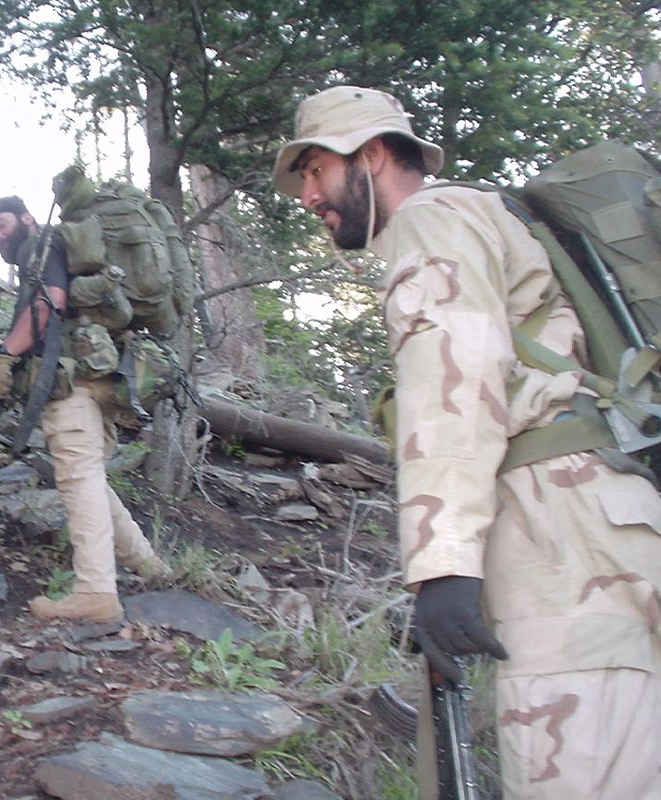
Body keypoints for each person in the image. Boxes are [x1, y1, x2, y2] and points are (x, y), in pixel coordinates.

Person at [272, 85, 661, 799]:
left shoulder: (432, 218)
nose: (307, 196)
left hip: (561, 543)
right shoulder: (494, 216)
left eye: (317, 169)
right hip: (615, 521)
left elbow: (452, 387)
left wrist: (443, 567)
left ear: (375, 153)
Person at [0, 195, 171, 624]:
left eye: (4, 224)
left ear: (26, 218)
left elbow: (49, 304)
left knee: (78, 476)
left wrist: (4, 354)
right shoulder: (63, 249)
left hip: (72, 380)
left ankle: (96, 593)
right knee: (89, 476)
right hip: (102, 374)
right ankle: (149, 566)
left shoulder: (41, 245)